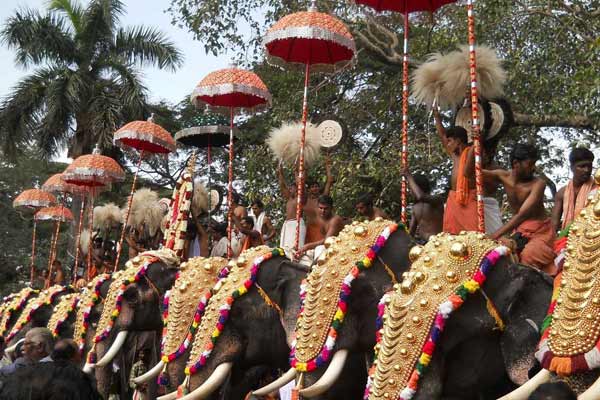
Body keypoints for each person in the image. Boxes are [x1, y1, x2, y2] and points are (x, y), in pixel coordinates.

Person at [483, 143, 556, 274]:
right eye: (530, 164)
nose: (534, 168)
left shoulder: (538, 184)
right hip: (520, 232)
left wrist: (495, 235)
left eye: (534, 163)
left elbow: (522, 215)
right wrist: (473, 145)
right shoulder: (502, 176)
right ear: (516, 163)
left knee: (528, 257)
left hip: (541, 233)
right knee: (496, 256)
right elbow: (473, 172)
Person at [433, 109, 503, 234]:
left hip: (470, 198)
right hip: (453, 200)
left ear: (458, 141)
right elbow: (442, 134)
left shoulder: (473, 150)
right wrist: (437, 117)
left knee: (472, 236)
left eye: (450, 141)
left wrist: (479, 139)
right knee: (452, 237)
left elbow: (469, 169)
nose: (447, 144)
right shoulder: (454, 155)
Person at [552, 147, 597, 232]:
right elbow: (554, 223)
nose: (587, 170)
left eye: (589, 166)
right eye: (582, 166)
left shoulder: (597, 189)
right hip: (568, 238)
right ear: (572, 167)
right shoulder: (562, 193)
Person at [296, 195, 344, 260]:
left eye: (326, 208)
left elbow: (327, 241)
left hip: (338, 248)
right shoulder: (319, 216)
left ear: (332, 208)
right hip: (324, 248)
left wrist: (308, 246)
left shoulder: (335, 220)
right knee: (302, 254)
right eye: (320, 208)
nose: (323, 211)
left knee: (320, 249)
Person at [403, 169, 444, 243]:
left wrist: (409, 177)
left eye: (412, 188)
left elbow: (420, 196)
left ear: (418, 188)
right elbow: (411, 231)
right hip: (423, 245)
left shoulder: (437, 200)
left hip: (439, 242)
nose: (410, 191)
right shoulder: (415, 207)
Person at [304, 158, 334, 245]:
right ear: (309, 189)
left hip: (322, 228)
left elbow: (329, 181)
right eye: (312, 186)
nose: (315, 188)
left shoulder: (323, 198)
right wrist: (304, 169)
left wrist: (327, 166)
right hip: (309, 230)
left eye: (316, 186)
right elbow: (300, 184)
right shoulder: (305, 200)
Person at [278, 163, 307, 251]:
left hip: (296, 223)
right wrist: (280, 173)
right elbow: (282, 185)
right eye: (289, 188)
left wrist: (295, 171)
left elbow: (300, 184)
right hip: (287, 224)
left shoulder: (301, 197)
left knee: (296, 249)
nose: (289, 189)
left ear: (296, 188)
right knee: (285, 249)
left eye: (291, 188)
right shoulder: (289, 199)